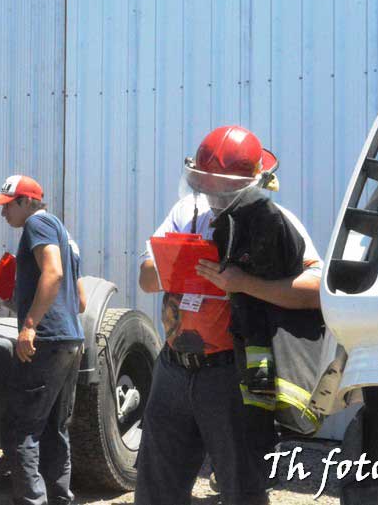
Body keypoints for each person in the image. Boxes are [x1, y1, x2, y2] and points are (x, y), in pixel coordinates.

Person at [133, 126, 323, 505]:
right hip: (172, 368)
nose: (210, 193)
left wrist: (243, 283)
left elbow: (318, 290)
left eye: (220, 186)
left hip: (231, 375)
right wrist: (175, 266)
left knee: (241, 489)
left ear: (251, 182)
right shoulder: (186, 211)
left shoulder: (275, 222)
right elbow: (146, 278)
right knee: (156, 488)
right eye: (203, 182)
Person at [0, 175, 87, 505]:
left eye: (8, 206)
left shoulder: (37, 225)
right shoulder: (65, 235)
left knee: (21, 430)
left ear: (27, 202)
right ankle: (59, 499)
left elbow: (53, 273)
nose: (4, 215)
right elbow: (81, 300)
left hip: (45, 340)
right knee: (55, 429)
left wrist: (29, 325)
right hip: (70, 339)